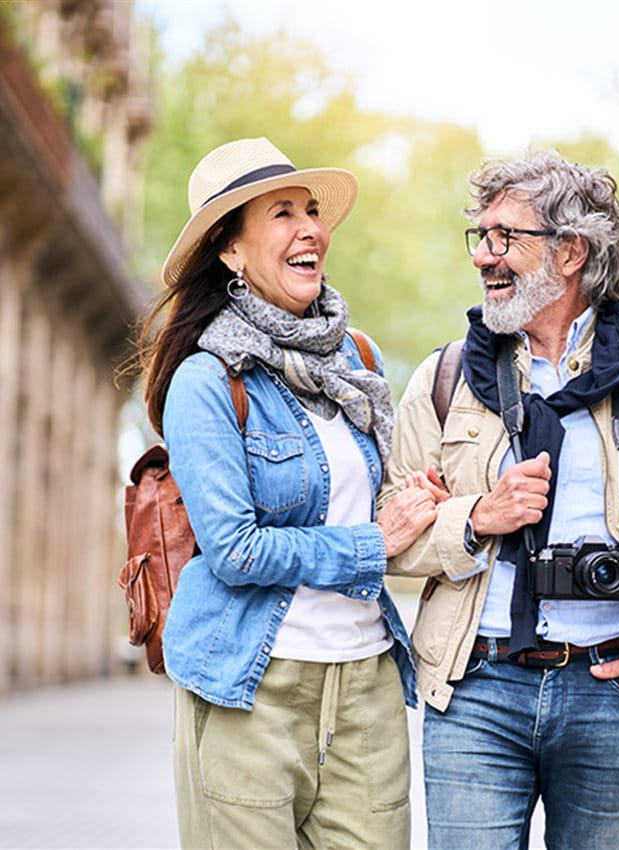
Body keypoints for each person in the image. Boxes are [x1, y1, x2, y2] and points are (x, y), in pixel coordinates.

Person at [383, 150, 619, 849]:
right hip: (475, 692)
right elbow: (387, 538)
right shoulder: (445, 378)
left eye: (505, 238)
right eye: (480, 236)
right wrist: (476, 519)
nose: (484, 257)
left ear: (571, 252)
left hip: (615, 692)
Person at [135, 137, 435, 849]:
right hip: (251, 687)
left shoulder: (357, 361)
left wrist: (424, 502)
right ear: (230, 251)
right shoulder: (207, 381)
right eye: (281, 214)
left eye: (312, 211)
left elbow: (378, 500)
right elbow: (234, 549)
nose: (311, 229)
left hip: (366, 686)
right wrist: (374, 541)